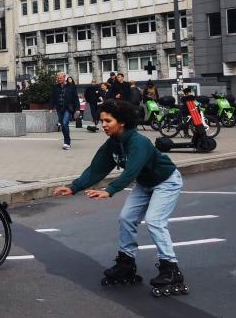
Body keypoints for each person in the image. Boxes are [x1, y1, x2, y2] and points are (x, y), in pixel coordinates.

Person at [52, 100, 186, 295]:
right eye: (102, 120)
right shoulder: (113, 143)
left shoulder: (138, 142)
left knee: (154, 221)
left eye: (108, 120)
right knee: (126, 218)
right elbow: (96, 170)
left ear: (121, 122)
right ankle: (126, 264)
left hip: (166, 181)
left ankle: (171, 268)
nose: (103, 124)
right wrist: (73, 187)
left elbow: (131, 171)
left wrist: (110, 190)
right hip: (145, 183)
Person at [51, 75, 79, 150]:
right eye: (58, 78)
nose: (59, 79)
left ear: (64, 78)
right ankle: (67, 139)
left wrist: (77, 109)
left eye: (60, 78)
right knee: (63, 125)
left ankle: (67, 142)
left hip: (68, 108)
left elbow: (75, 98)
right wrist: (51, 107)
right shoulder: (55, 87)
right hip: (59, 109)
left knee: (64, 123)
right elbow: (53, 97)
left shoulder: (71, 86)